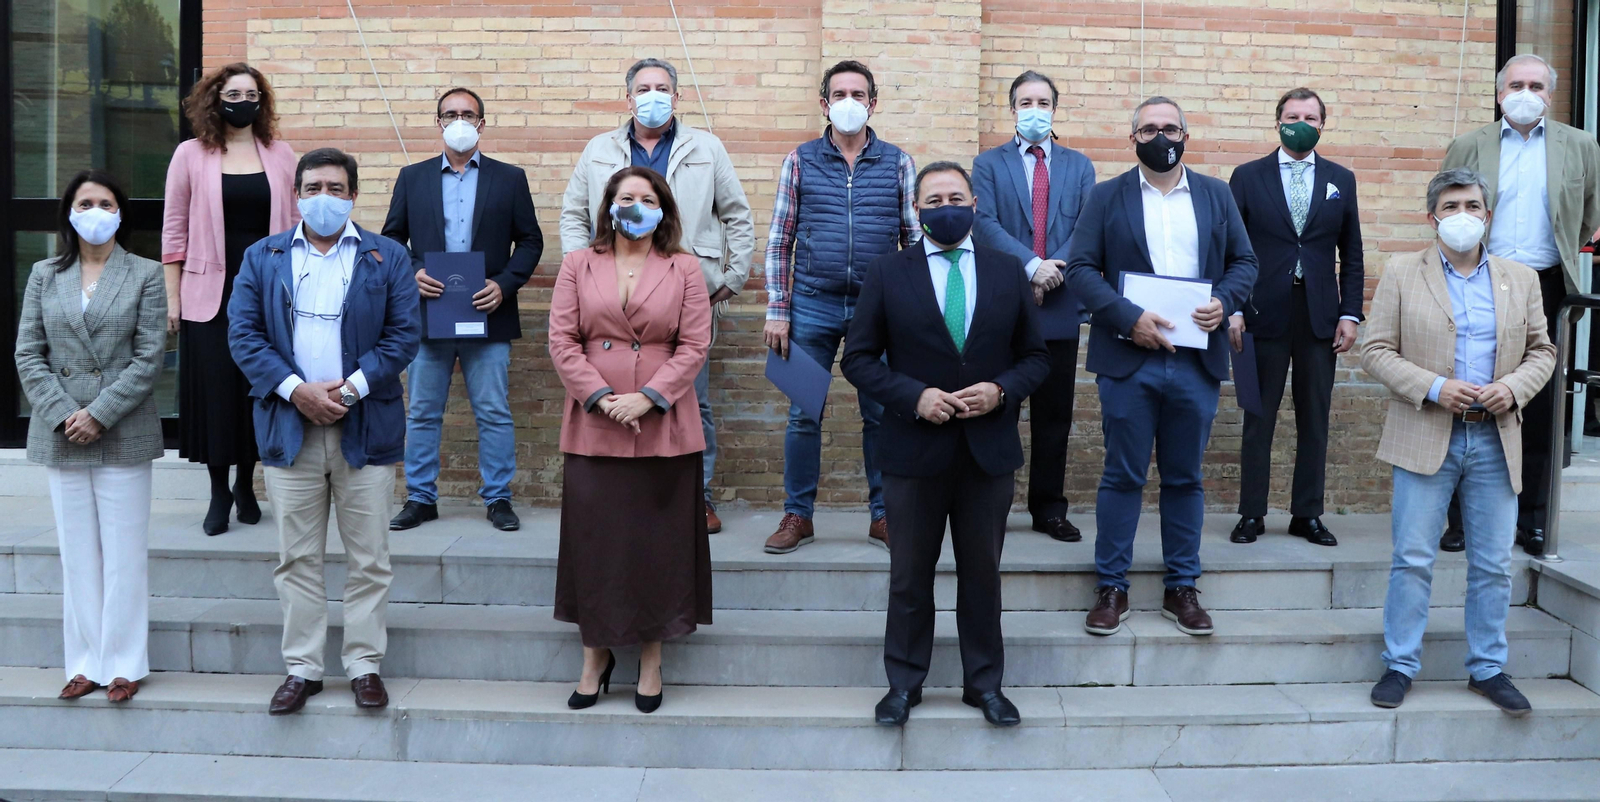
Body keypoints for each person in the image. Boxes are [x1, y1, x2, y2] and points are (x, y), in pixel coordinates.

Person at [842, 162, 1051, 728]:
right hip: (914, 451)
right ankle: (903, 685)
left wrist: (1001, 390)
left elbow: (1037, 358)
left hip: (987, 452)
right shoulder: (888, 272)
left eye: (955, 196)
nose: (945, 206)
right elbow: (857, 359)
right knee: (910, 575)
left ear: (975, 204)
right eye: (933, 199)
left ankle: (984, 685)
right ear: (917, 209)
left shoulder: (1008, 272)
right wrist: (914, 396)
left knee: (982, 574)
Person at [227, 148, 420, 716]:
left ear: (354, 195)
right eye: (313, 187)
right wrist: (297, 391)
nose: (324, 198)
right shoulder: (262, 258)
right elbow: (244, 335)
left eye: (336, 188)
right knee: (297, 558)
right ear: (295, 195)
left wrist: (351, 390)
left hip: (367, 427)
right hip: (291, 429)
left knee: (369, 559)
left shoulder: (388, 257)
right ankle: (303, 668)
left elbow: (403, 336)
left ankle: (364, 664)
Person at [1361, 168, 1555, 716]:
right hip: (1425, 433)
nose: (1463, 215)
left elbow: (1543, 351)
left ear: (1488, 216)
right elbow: (1375, 351)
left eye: (1473, 205)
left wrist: (1511, 389)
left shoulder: (1520, 278)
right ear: (1433, 218)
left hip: (1495, 437)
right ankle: (1400, 664)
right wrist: (1434, 387)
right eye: (1451, 207)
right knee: (1413, 557)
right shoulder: (1402, 272)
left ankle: (1488, 667)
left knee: (1493, 562)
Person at [1064, 97, 1258, 638]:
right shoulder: (1107, 197)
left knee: (1184, 478)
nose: (1160, 136)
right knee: (1122, 475)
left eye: (1170, 128)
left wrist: (1225, 300)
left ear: (1186, 137)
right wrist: (1128, 319)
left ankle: (1182, 587)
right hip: (1129, 361)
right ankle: (1111, 587)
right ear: (1132, 139)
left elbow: (1246, 262)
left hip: (1196, 362)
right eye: (1149, 128)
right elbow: (1080, 268)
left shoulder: (1217, 196)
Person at [559, 58, 754, 535]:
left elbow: (736, 214)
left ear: (677, 96)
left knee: (693, 398)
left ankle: (697, 496)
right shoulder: (598, 148)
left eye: (662, 87)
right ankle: (618, 494)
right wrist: (584, 271)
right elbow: (572, 215)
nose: (653, 95)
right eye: (643, 87)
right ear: (628, 97)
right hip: (610, 292)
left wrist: (732, 275)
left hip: (684, 288)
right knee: (610, 391)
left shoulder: (706, 147)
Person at [548, 166, 713, 714]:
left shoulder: (685, 267)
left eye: (647, 198)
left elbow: (694, 344)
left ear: (663, 208)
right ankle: (595, 656)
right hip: (594, 420)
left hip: (664, 420)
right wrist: (599, 397)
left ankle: (650, 656)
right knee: (595, 543)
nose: (635, 205)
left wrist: (649, 397)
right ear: (609, 206)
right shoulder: (577, 264)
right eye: (626, 197)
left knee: (658, 546)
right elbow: (562, 340)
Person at [1440, 53, 1600, 556]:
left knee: (1540, 404)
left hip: (1546, 284)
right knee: (1470, 395)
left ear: (1550, 94)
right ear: (1499, 92)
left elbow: (1588, 213)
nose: (1526, 92)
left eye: (1536, 84)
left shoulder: (1580, 145)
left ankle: (1532, 519)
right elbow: (1449, 207)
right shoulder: (1469, 145)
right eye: (1516, 84)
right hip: (1479, 280)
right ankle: (1461, 520)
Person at [16, 170, 167, 703]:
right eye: (86, 202)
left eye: (106, 202)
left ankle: (124, 663)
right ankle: (84, 662)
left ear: (121, 212)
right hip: (62, 431)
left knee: (124, 552)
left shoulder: (146, 274)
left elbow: (150, 358)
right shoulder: (43, 274)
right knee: (77, 552)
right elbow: (28, 353)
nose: (96, 210)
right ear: (70, 212)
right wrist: (63, 413)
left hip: (122, 427)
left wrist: (100, 412)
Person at [762, 60, 919, 554]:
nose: (848, 101)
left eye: (858, 93)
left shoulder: (897, 162)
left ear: (873, 103)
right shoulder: (800, 160)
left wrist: (916, 311)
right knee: (804, 414)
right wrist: (777, 308)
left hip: (880, 312)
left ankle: (884, 514)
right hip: (810, 305)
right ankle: (798, 514)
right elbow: (778, 240)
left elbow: (914, 240)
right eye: (838, 94)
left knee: (882, 414)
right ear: (824, 103)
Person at [383, 86, 543, 533]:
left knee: (492, 410)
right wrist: (412, 271)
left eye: (468, 114)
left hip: (488, 312)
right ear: (438, 123)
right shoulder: (412, 177)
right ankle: (420, 498)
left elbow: (531, 240)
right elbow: (392, 237)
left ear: (481, 124)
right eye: (450, 114)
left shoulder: (509, 178)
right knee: (422, 411)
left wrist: (505, 285)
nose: (459, 120)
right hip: (429, 314)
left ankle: (497, 498)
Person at [161, 62, 300, 536]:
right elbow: (174, 232)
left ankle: (247, 482)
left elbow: (300, 226)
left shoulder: (281, 154)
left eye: (252, 93)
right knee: (217, 395)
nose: (243, 101)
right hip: (209, 295)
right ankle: (219, 491)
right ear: (214, 98)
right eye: (233, 92)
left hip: (268, 293)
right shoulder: (189, 154)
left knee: (259, 389)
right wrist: (172, 299)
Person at [1227, 88, 1365, 547]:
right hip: (1261, 313)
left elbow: (1353, 254)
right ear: (1277, 122)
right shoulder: (1247, 177)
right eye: (1291, 115)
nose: (1300, 121)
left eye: (1309, 116)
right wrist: (1234, 308)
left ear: (1323, 124)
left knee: (1315, 418)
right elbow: (1230, 249)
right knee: (1257, 418)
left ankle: (1307, 514)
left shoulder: (1341, 179)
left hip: (1320, 315)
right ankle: (1252, 513)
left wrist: (1350, 313)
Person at [971, 69, 1096, 543]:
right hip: (1005, 303)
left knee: (1054, 415)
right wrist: (1031, 268)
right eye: (1026, 102)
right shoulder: (988, 164)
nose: (1035, 111)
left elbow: (1085, 228)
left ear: (1054, 110)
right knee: (999, 409)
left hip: (1060, 302)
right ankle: (991, 504)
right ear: (1012, 110)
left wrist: (1051, 271)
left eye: (1043, 103)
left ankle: (1049, 508)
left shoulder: (1079, 166)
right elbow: (984, 223)